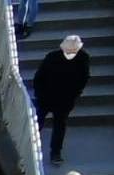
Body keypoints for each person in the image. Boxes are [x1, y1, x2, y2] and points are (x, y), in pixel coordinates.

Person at [30, 36, 90, 164]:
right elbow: (39, 76)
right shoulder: (53, 57)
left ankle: (55, 152)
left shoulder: (82, 58)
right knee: (39, 122)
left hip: (64, 99)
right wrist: (39, 92)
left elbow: (83, 78)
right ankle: (40, 150)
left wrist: (75, 94)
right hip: (47, 96)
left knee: (57, 125)